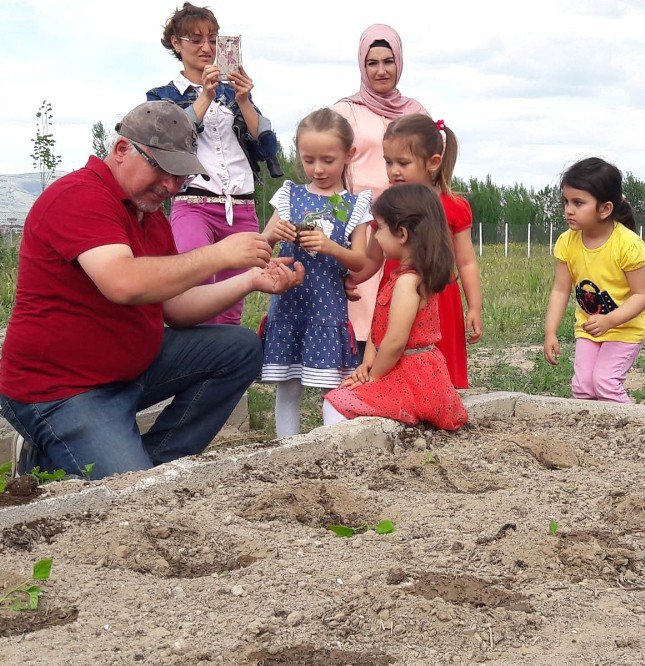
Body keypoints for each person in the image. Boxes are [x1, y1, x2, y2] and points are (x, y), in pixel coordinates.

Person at [0, 101, 304, 480]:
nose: (171, 185)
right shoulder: (79, 196)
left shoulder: (149, 215)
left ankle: (150, 466)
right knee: (129, 490)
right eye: (161, 169)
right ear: (122, 150)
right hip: (63, 388)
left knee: (239, 349)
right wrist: (217, 254)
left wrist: (250, 280)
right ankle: (57, 454)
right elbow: (123, 282)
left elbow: (175, 310)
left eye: (179, 175)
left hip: (131, 368)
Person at [147, 2, 281, 325]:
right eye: (195, 40)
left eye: (213, 39)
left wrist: (244, 101)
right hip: (194, 202)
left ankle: (226, 371)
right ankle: (194, 369)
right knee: (192, 290)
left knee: (232, 302)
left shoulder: (234, 93)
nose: (206, 48)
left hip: (241, 204)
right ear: (176, 44)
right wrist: (203, 98)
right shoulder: (163, 96)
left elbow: (266, 148)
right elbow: (167, 142)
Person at [259, 109, 372, 438]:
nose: (318, 169)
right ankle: (287, 451)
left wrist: (329, 246)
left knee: (334, 390)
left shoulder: (355, 206)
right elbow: (263, 244)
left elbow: (360, 261)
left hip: (327, 311)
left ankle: (332, 449)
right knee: (288, 387)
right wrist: (272, 235)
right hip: (290, 307)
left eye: (328, 159)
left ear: (348, 155)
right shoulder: (289, 196)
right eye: (309, 160)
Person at [352, 114, 483, 388]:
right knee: (393, 352)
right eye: (388, 162)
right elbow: (374, 258)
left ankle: (442, 406)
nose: (394, 170)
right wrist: (350, 280)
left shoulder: (453, 206)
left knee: (440, 366)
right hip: (394, 296)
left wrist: (475, 307)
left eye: (403, 162)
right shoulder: (386, 207)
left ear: (433, 162)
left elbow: (466, 262)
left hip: (439, 299)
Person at [324, 184, 468, 430]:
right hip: (407, 372)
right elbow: (377, 330)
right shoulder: (400, 277)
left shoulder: (407, 282)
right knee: (348, 392)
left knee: (335, 402)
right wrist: (367, 363)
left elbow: (395, 341)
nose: (376, 236)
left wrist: (373, 377)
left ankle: (345, 452)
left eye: (379, 228)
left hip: (412, 379)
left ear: (402, 234)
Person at [333, 24, 429, 356]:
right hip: (360, 219)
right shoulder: (345, 111)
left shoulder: (415, 111)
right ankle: (360, 364)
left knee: (403, 296)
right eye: (372, 63)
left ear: (399, 62)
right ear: (362, 65)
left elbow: (430, 166)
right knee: (361, 296)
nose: (381, 70)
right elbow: (334, 166)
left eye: (388, 61)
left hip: (405, 223)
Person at [543, 157, 645, 403]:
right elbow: (560, 290)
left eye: (578, 203)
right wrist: (550, 332)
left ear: (605, 209)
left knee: (605, 384)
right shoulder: (567, 242)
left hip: (625, 328)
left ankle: (633, 428)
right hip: (590, 327)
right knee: (582, 388)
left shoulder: (628, 244)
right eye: (566, 201)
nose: (568, 209)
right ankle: (587, 437)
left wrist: (610, 320)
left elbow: (642, 295)